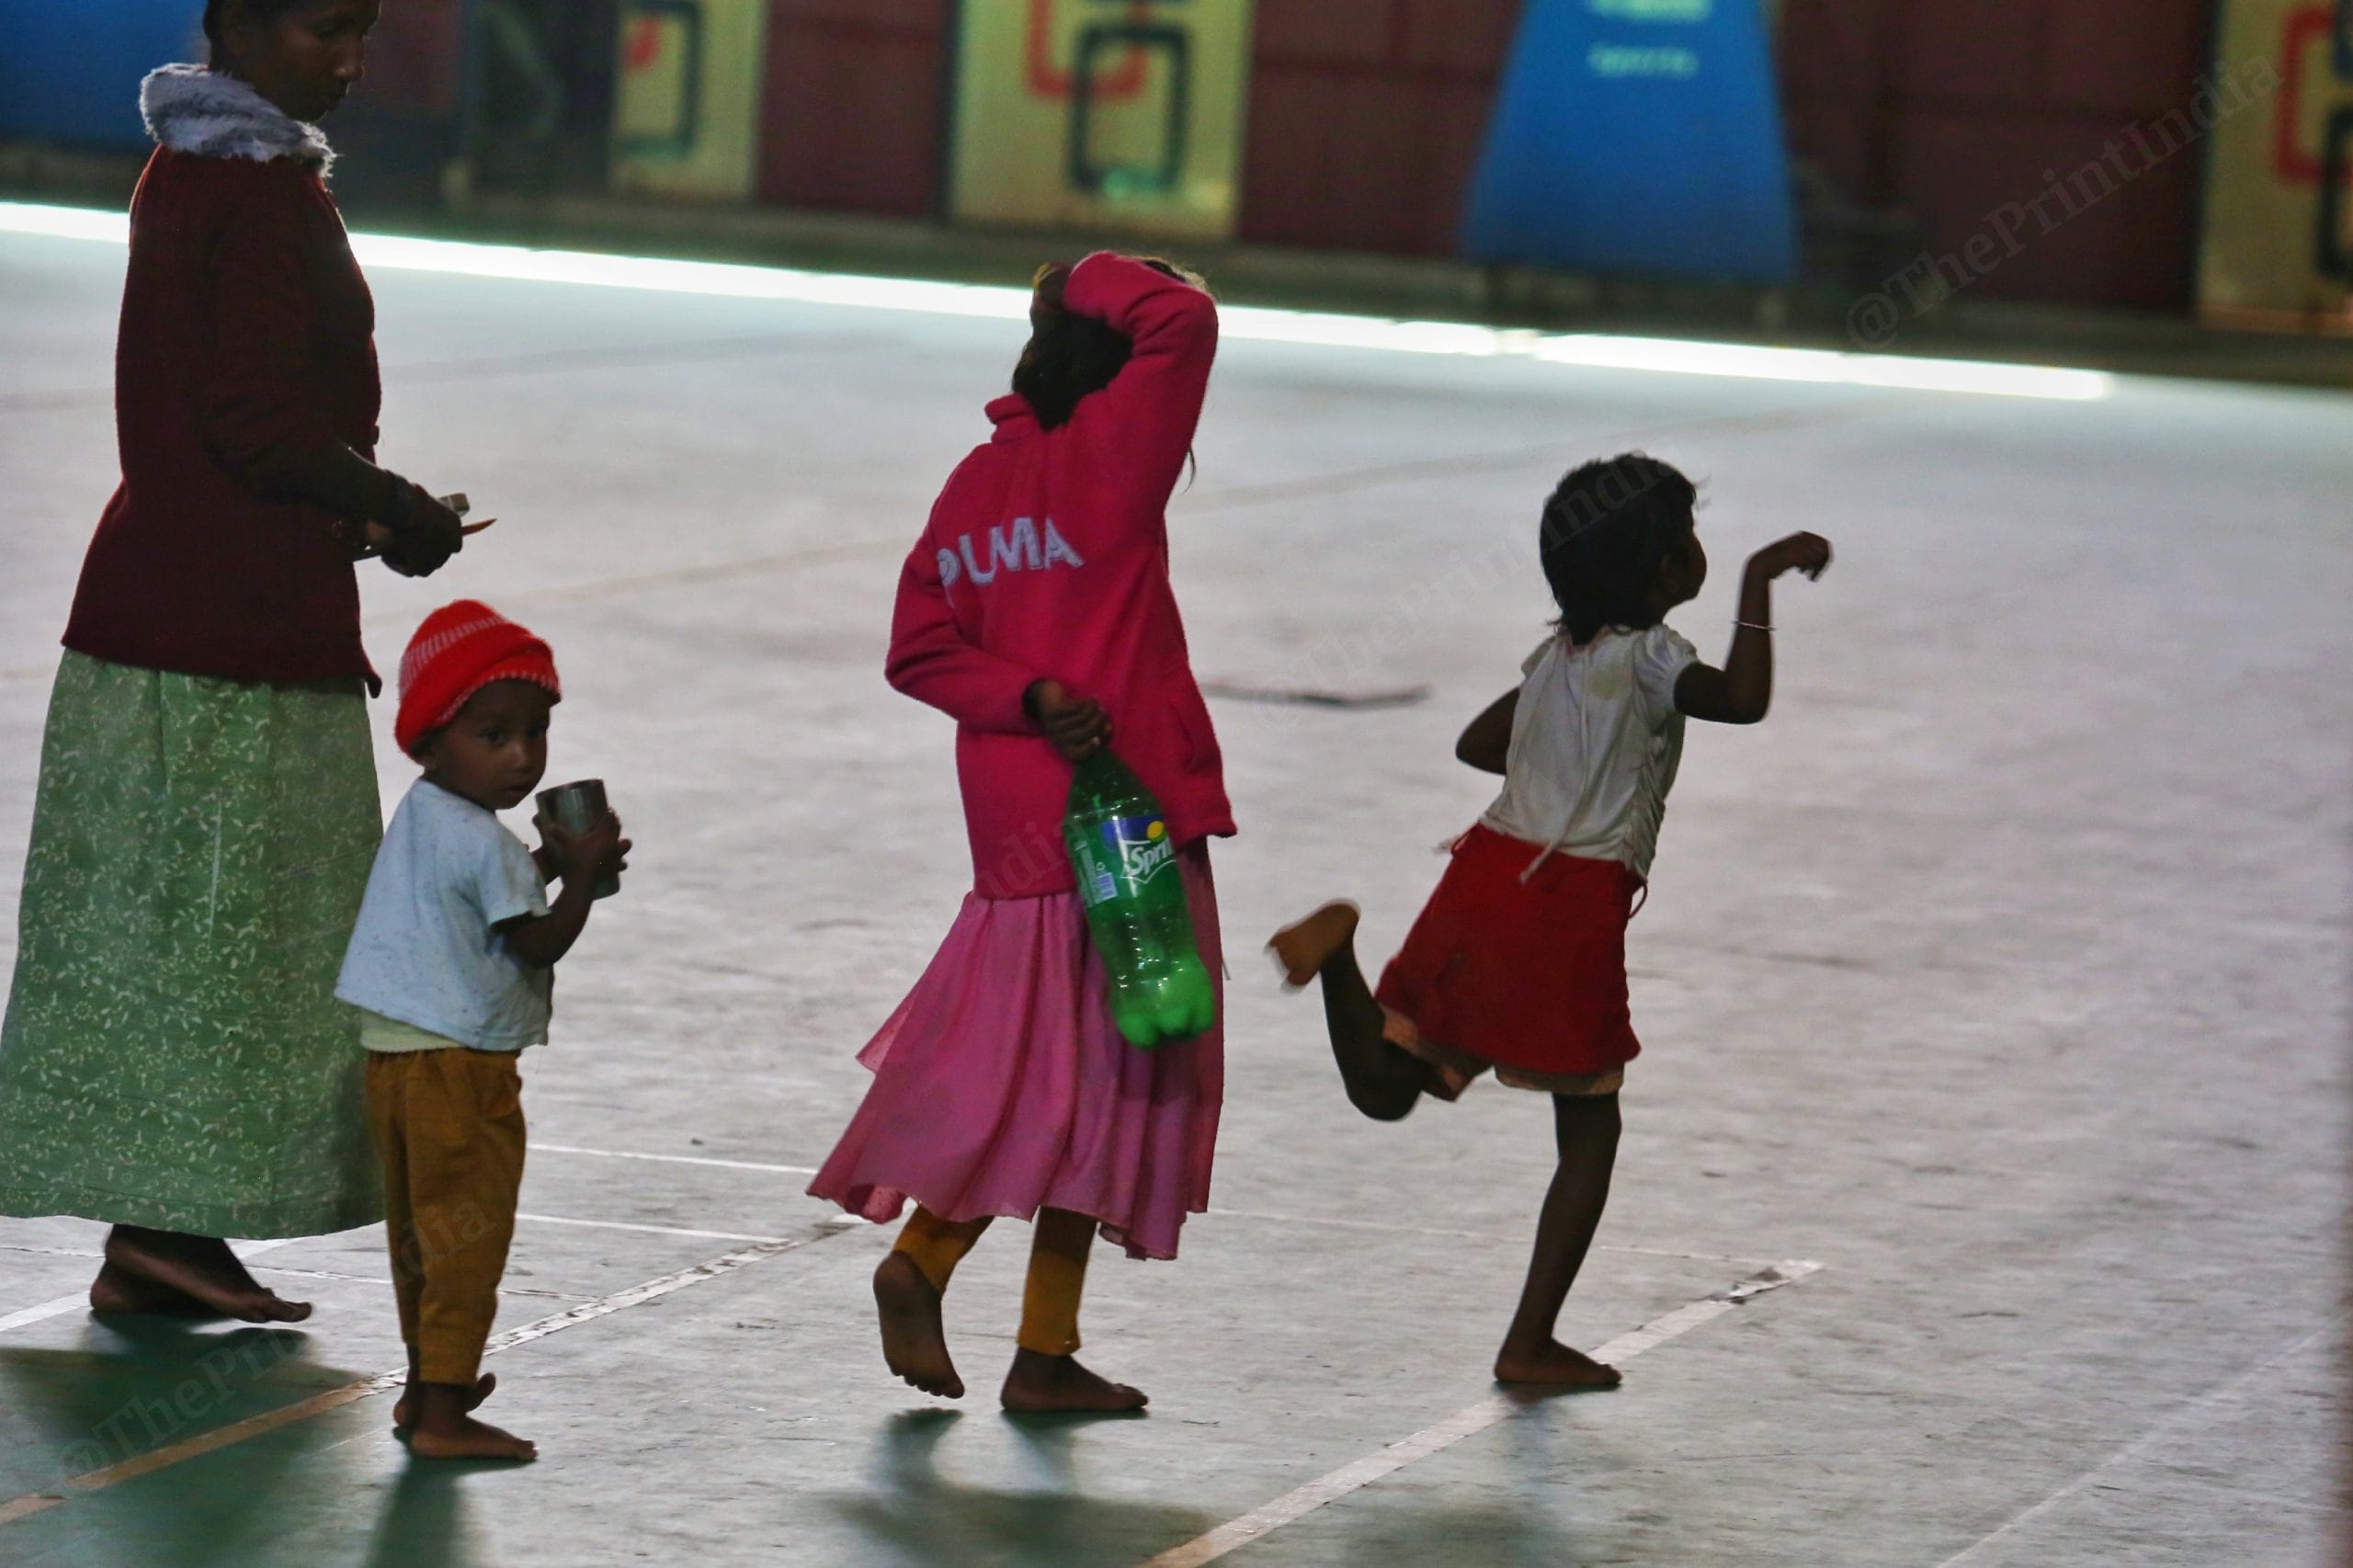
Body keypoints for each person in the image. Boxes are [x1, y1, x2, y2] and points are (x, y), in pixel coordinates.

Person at [0, 0, 470, 1322]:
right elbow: (261, 423)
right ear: (237, 26)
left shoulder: (188, 171)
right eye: (323, 28)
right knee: (239, 948)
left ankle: (162, 1240)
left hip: (172, 605)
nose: (349, 60)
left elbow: (240, 431)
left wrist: (365, 514)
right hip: (229, 637)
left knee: (178, 949)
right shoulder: (257, 194)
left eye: (361, 32)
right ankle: (165, 1236)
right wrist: (397, 504)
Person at [1268, 454, 1833, 1388]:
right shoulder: (1655, 655)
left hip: (1483, 871)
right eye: (1690, 541)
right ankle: (1529, 1340)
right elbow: (1744, 700)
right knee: (1591, 1123)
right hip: (1564, 904)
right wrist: (1758, 579)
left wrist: (1558, 766)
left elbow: (1477, 743)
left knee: (1393, 1079)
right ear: (1663, 571)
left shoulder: (1552, 657)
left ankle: (1339, 957)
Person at [809, 254, 1233, 1414]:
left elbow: (919, 648)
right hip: (1125, 818)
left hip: (1013, 829)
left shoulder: (973, 486)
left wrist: (1028, 695)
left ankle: (1046, 1349)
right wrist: (1087, 275)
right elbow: (1185, 317)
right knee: (1114, 1072)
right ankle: (930, 1262)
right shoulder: (1117, 457)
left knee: (1052, 1067)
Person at [336, 601, 630, 1461]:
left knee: (419, 1233)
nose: (521, 758)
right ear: (431, 740)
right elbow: (536, 938)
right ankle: (444, 1411)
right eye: (494, 736)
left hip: (392, 1057)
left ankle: (428, 1382)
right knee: (470, 1231)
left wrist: (545, 869)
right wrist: (575, 880)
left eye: (534, 735)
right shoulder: (487, 846)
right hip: (458, 1069)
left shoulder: (426, 815)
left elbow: (480, 902)